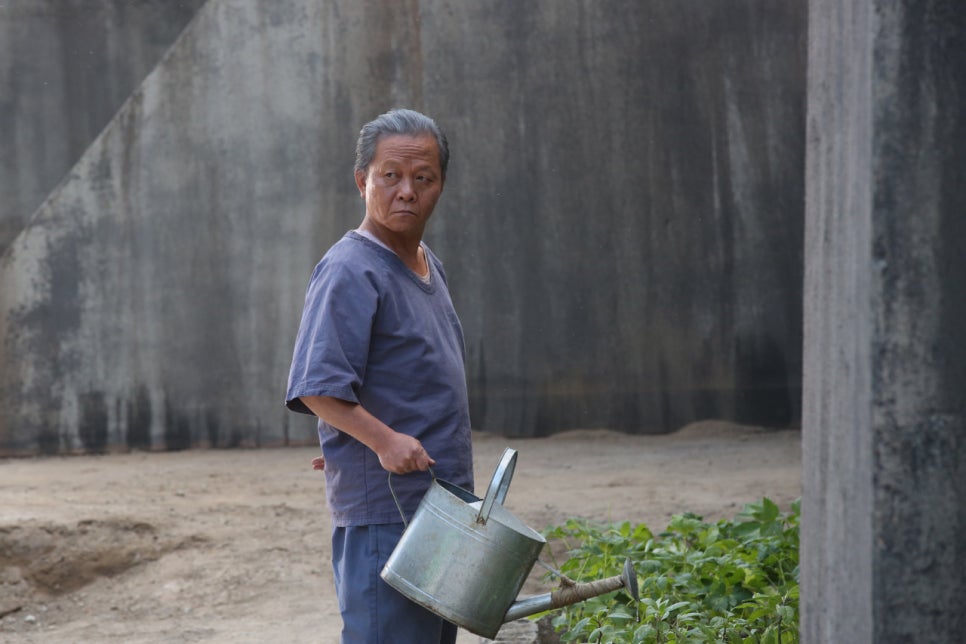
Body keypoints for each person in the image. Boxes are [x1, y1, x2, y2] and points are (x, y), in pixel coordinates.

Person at [285, 108, 473, 643]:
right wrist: (382, 441)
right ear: (362, 180)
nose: (407, 191)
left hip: (438, 504)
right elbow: (317, 385)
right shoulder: (351, 269)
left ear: (441, 186)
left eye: (424, 178)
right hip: (388, 514)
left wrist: (353, 435)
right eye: (391, 176)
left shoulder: (425, 262)